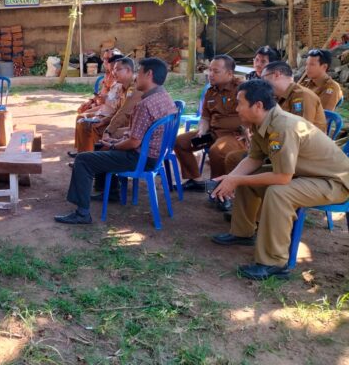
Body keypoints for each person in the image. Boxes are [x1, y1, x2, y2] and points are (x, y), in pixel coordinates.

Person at [210, 80, 349, 280]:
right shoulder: (263, 122)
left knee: (278, 193)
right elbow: (254, 158)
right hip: (307, 175)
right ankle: (243, 233)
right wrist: (233, 178)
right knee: (246, 177)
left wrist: (237, 180)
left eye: (240, 103)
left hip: (334, 182)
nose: (236, 108)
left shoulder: (282, 127)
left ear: (257, 105)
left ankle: (274, 263)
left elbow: (282, 178)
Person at [54, 58, 176, 225]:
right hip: (155, 156)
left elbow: (133, 143)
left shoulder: (145, 104)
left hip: (141, 159)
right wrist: (116, 138)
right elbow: (144, 132)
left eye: (138, 73)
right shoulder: (165, 97)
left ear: (149, 74)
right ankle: (110, 192)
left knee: (83, 160)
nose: (136, 77)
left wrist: (113, 144)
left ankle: (82, 213)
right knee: (99, 147)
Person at [174, 55, 245, 191]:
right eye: (210, 70)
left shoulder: (242, 89)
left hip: (233, 136)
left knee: (217, 151)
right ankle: (195, 180)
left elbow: (253, 114)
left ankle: (219, 189)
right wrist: (201, 130)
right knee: (181, 142)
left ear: (229, 73)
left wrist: (248, 131)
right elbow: (205, 117)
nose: (210, 75)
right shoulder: (210, 92)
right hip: (211, 135)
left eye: (216, 71)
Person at [70, 55, 132, 155]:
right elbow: (118, 110)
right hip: (112, 116)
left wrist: (106, 125)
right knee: (86, 121)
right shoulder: (121, 86)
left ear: (129, 70)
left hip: (125, 126)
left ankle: (94, 157)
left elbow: (122, 114)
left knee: (96, 127)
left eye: (117, 69)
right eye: (113, 69)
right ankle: (85, 155)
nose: (114, 72)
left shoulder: (133, 90)